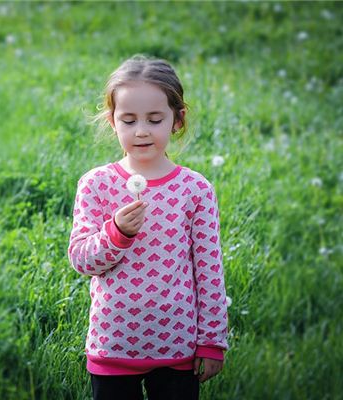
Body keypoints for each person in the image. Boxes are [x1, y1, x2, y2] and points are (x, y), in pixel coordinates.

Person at [67, 55, 229, 400]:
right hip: (114, 343)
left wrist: (213, 341)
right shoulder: (97, 184)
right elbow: (82, 260)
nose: (141, 130)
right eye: (129, 120)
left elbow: (209, 269)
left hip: (177, 345)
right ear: (113, 122)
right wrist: (117, 233)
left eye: (155, 119)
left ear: (177, 120)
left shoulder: (195, 189)